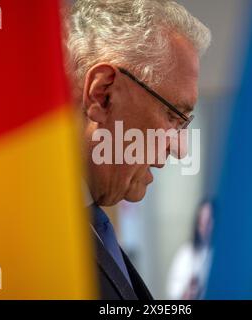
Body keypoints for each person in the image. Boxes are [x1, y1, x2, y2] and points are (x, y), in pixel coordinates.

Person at [63, 0, 211, 299]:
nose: (179, 149)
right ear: (102, 94)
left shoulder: (83, 226)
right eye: (173, 115)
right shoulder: (21, 241)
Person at [167, 199, 215, 300]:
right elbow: (173, 291)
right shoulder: (186, 254)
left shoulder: (223, 255)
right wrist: (187, 292)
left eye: (209, 221)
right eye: (202, 222)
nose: (205, 227)